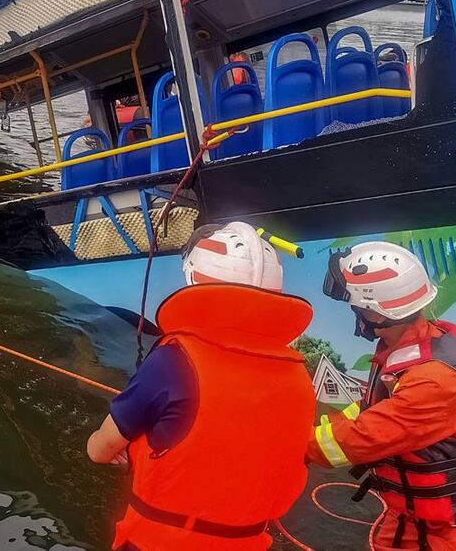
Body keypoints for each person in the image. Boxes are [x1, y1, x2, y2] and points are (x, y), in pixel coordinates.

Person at [87, 222, 316, 550]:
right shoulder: (299, 376)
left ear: (194, 278)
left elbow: (99, 450)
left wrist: (116, 447)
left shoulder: (173, 361)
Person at [310, 241, 456, 551]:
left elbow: (361, 438)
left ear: (375, 315)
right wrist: (317, 423)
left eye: (355, 306)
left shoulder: (433, 382)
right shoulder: (423, 341)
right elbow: (376, 410)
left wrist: (294, 446)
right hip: (421, 517)